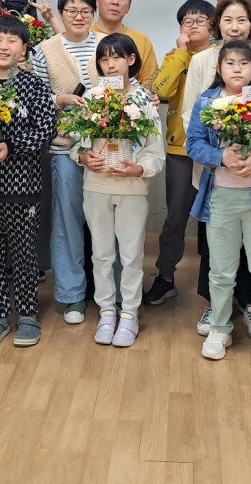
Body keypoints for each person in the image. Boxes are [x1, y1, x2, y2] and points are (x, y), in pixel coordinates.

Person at [181, 0, 251, 340]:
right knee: (220, 270)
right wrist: (220, 157)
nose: (237, 69)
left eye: (244, 64)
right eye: (230, 64)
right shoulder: (208, 101)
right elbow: (193, 142)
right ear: (219, 68)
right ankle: (219, 327)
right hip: (219, 195)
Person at [0, 15, 57, 348]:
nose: (4, 46)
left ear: (24, 47)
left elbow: (46, 129)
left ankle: (29, 315)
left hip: (22, 186)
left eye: (12, 40)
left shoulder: (34, 85)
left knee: (24, 254)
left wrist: (11, 146)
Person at [73, 34, 163, 347]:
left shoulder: (144, 101)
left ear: (131, 60)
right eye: (104, 59)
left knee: (131, 256)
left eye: (116, 57)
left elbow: (156, 153)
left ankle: (129, 315)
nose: (110, 64)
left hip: (132, 189)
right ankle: (106, 312)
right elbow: (76, 143)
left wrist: (139, 169)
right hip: (96, 186)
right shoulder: (92, 97)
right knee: (101, 254)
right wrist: (84, 157)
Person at [30, 0, 103, 326]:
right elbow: (36, 96)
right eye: (71, 11)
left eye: (85, 11)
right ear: (60, 14)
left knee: (107, 223)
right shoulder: (44, 50)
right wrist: (58, 100)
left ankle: (112, 293)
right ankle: (71, 294)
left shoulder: (106, 44)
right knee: (68, 222)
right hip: (63, 147)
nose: (78, 16)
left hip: (104, 147)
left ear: (93, 13)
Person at [144, 0, 214, 306]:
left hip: (216, 151)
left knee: (217, 221)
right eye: (187, 21)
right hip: (180, 147)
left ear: (212, 26)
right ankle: (165, 277)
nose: (193, 26)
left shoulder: (222, 57)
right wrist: (182, 53)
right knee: (174, 217)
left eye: (200, 20)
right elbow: (160, 90)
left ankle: (217, 284)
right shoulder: (176, 56)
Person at [93, 0, 158, 85]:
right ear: (97, 2)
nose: (115, 2)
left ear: (128, 7)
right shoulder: (82, 35)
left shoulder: (141, 40)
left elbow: (150, 82)